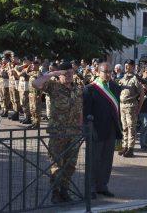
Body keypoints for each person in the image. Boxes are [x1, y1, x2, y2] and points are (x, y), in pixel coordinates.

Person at [32, 61, 84, 203]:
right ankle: (55, 192)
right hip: (58, 133)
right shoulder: (53, 87)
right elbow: (36, 84)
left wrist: (80, 128)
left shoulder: (78, 89)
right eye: (65, 73)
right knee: (56, 164)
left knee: (70, 165)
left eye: (70, 73)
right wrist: (53, 73)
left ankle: (64, 191)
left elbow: (80, 110)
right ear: (59, 75)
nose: (68, 76)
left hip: (73, 134)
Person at [83, 62, 122, 199]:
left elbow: (116, 109)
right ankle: (91, 188)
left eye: (110, 72)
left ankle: (102, 186)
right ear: (98, 72)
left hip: (110, 129)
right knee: (94, 160)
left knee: (107, 160)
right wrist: (88, 130)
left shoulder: (115, 87)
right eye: (105, 72)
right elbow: (86, 113)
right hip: (96, 130)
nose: (108, 74)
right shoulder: (90, 89)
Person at [117, 59, 144, 157]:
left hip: (131, 106)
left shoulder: (135, 79)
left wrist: (139, 108)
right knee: (124, 127)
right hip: (122, 105)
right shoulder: (123, 78)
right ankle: (125, 146)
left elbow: (142, 94)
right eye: (125, 65)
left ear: (133, 67)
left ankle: (131, 148)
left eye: (128, 66)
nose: (126, 67)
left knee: (131, 127)